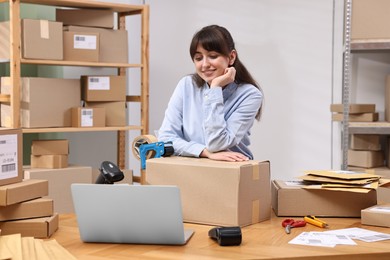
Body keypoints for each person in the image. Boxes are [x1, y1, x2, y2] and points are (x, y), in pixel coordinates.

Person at [158, 25, 263, 162]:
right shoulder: (186, 85)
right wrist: (204, 152)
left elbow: (217, 144)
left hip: (232, 171)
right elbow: (166, 138)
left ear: (231, 57)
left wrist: (215, 89)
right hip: (192, 167)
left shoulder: (250, 94)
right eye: (198, 58)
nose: (205, 64)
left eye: (213, 56)